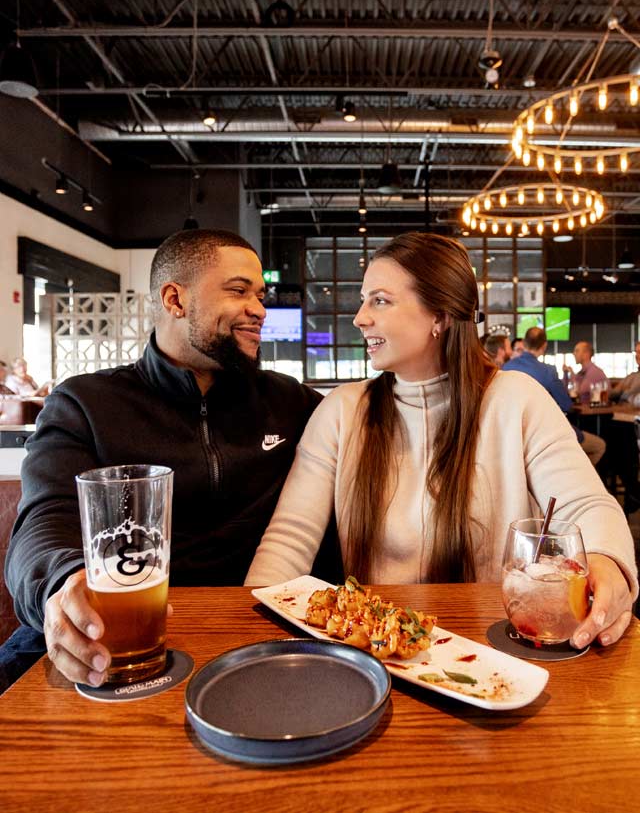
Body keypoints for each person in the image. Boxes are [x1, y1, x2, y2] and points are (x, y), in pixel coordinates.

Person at [246, 232, 638, 652]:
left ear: (440, 316)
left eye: (379, 300)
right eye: (364, 300)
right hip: (375, 651)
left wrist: (607, 560)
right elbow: (288, 540)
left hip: (492, 653)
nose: (360, 317)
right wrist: (251, 638)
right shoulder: (342, 411)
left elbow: (586, 504)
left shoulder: (515, 399)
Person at [1, 228, 324, 692]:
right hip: (110, 639)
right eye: (238, 291)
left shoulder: (290, 402)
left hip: (252, 638)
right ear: (175, 299)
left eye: (260, 294)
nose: (259, 309)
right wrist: (61, 584)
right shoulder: (86, 405)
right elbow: (44, 521)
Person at [503, 327, 606, 467]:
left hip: (512, 435)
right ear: (544, 346)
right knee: (598, 446)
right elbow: (566, 405)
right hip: (544, 434)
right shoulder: (548, 371)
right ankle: (573, 482)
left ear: (525, 344)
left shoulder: (505, 368)